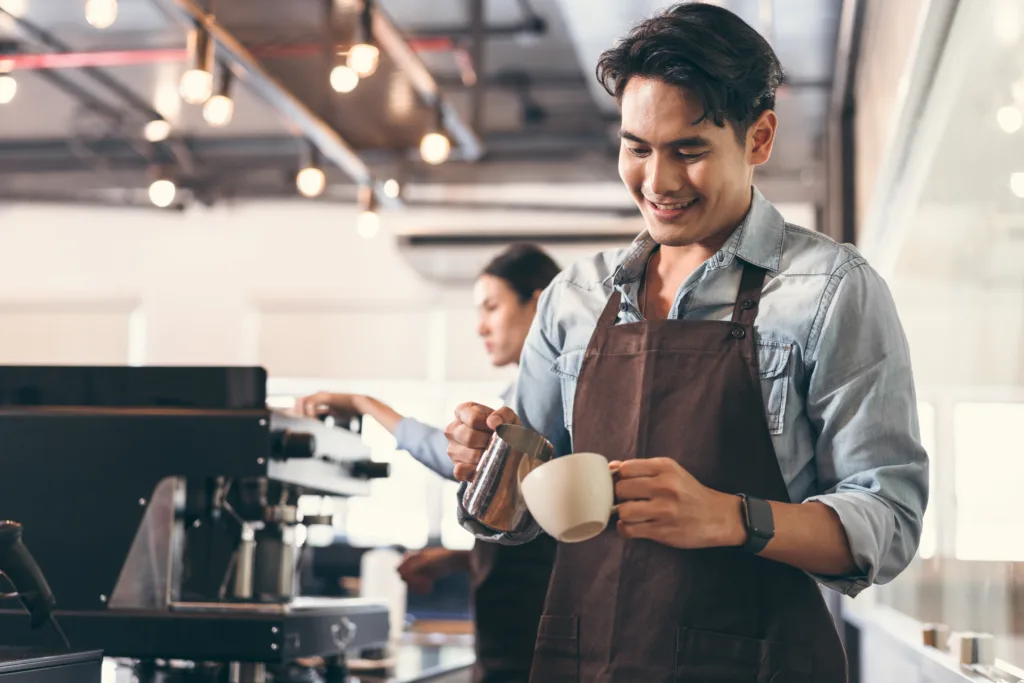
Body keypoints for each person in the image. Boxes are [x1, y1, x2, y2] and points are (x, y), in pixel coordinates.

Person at [443, 5, 929, 683]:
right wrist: (486, 461)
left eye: (689, 150)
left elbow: (891, 517)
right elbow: (517, 513)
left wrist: (730, 517)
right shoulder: (575, 299)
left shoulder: (831, 291)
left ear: (759, 139)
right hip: (583, 663)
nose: (658, 182)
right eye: (637, 147)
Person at [294, 243, 562, 683]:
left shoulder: (543, 394)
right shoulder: (524, 393)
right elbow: (527, 525)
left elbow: (467, 465)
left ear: (539, 302)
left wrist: (366, 404)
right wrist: (458, 560)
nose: (480, 327)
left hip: (524, 644)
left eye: (492, 307)